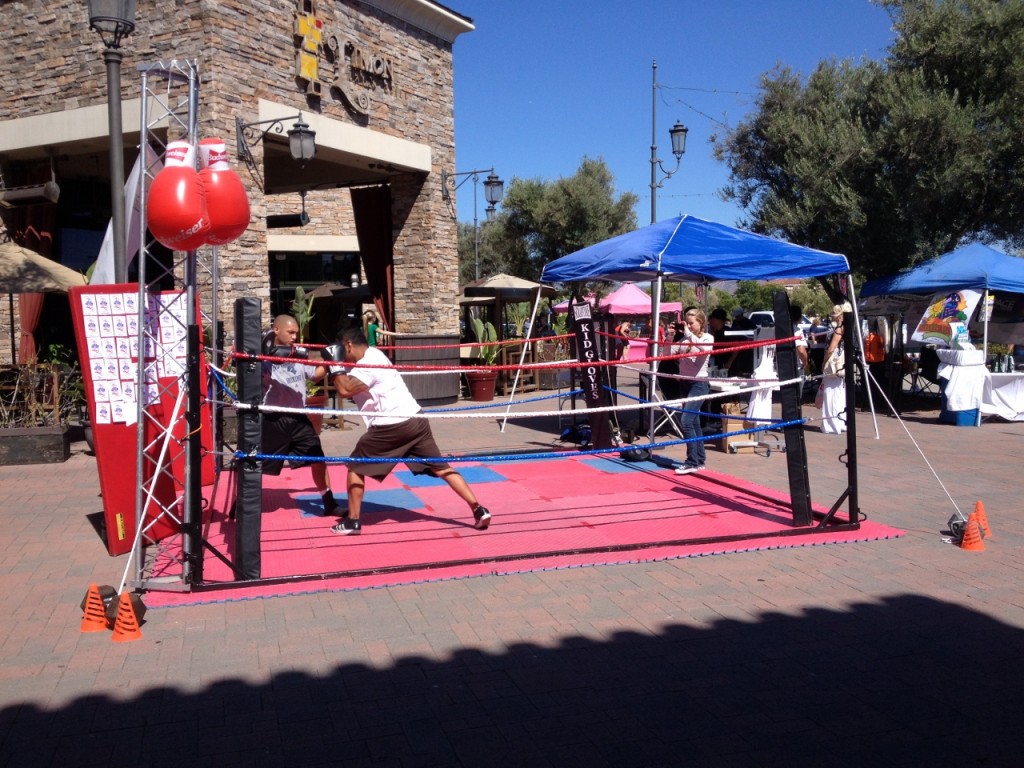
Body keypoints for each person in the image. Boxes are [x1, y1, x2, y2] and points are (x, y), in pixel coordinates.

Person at [328, 325, 492, 535]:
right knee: (441, 468)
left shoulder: (367, 364)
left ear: (348, 345)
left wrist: (334, 364)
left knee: (355, 467)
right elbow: (321, 372)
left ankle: (352, 521)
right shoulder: (375, 354)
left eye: (341, 349)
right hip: (416, 419)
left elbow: (344, 389)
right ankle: (479, 509)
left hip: (392, 425)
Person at [261, 314, 339, 515]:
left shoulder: (298, 353)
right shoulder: (264, 356)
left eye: (296, 333)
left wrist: (331, 361)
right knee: (256, 463)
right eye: (291, 332)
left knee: (318, 458)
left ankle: (329, 503)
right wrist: (264, 351)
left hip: (299, 419)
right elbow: (241, 357)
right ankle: (242, 502)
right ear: (276, 330)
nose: (295, 336)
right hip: (273, 418)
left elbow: (314, 376)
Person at [672, 308, 714, 475]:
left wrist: (688, 333)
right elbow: (668, 353)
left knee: (686, 421)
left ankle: (691, 462)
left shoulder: (707, 337)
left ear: (701, 323)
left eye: (691, 323)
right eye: (686, 323)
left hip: (699, 383)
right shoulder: (685, 339)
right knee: (694, 423)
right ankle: (699, 460)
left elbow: (703, 349)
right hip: (685, 383)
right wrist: (669, 337)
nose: (688, 326)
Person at [819, 303, 851, 435]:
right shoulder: (848, 328)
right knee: (838, 394)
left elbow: (831, 348)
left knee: (830, 394)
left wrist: (824, 361)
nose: (833, 316)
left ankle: (831, 424)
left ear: (840, 316)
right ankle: (840, 422)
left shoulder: (839, 329)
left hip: (833, 365)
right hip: (841, 364)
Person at [724, 307, 756, 377]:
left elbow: (755, 332)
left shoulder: (748, 322)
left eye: (738, 316)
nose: (737, 318)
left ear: (741, 315)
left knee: (746, 363)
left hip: (746, 347)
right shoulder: (735, 322)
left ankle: (746, 374)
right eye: (736, 317)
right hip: (736, 344)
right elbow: (733, 332)